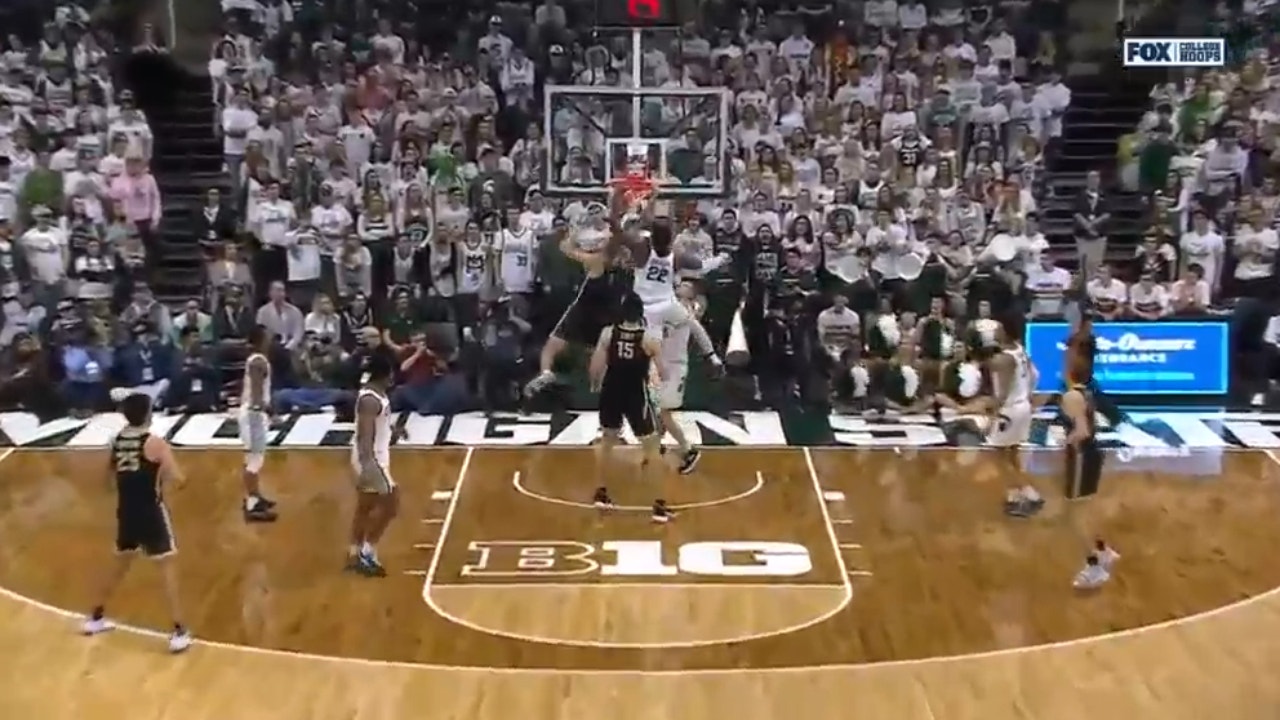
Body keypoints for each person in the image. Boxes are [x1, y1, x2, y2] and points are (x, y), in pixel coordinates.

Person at [81, 392, 192, 654]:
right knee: (166, 568)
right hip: (151, 512)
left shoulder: (118, 440)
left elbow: (106, 478)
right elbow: (178, 478)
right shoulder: (155, 443)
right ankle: (179, 630)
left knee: (119, 564)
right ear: (148, 413)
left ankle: (95, 617)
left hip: (126, 511)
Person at [525, 194, 628, 397]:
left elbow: (566, 248)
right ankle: (596, 391)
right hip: (606, 310)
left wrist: (576, 230)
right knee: (597, 352)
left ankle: (547, 372)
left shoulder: (596, 260)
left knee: (552, 347)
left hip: (585, 307)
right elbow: (617, 237)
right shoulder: (615, 261)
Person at [589, 290, 662, 483]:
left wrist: (594, 384)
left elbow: (596, 364)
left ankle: (601, 490)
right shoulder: (648, 338)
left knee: (607, 441)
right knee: (651, 444)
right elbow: (662, 370)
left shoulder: (608, 333)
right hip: (635, 392)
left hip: (611, 389)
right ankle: (659, 503)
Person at [653, 280, 722, 474]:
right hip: (660, 364)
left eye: (685, 285)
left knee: (663, 412)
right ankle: (654, 449)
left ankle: (688, 450)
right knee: (656, 410)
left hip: (674, 367)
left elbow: (700, 333)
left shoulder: (684, 311)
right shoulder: (667, 307)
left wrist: (712, 356)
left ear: (691, 293)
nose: (678, 286)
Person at [347, 352, 400, 577]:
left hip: (374, 457)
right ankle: (367, 552)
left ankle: (353, 552)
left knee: (366, 507)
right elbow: (364, 436)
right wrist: (368, 465)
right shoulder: (369, 400)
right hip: (371, 459)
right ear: (385, 375)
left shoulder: (377, 395)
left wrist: (394, 430)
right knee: (392, 503)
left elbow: (378, 425)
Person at [986, 315, 1042, 517]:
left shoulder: (1004, 359)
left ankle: (1029, 494)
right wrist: (1028, 394)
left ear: (1005, 332)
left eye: (998, 328)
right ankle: (1015, 495)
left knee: (1000, 457)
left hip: (1009, 410)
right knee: (1012, 454)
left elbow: (1001, 393)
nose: (995, 331)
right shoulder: (1020, 351)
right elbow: (1035, 375)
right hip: (1023, 406)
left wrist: (993, 415)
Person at [239, 324, 278, 522]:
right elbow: (256, 394)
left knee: (253, 459)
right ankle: (251, 504)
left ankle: (254, 496)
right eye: (267, 336)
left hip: (252, 413)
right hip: (254, 414)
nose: (270, 339)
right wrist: (268, 411)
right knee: (255, 459)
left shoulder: (255, 359)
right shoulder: (258, 361)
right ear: (261, 339)